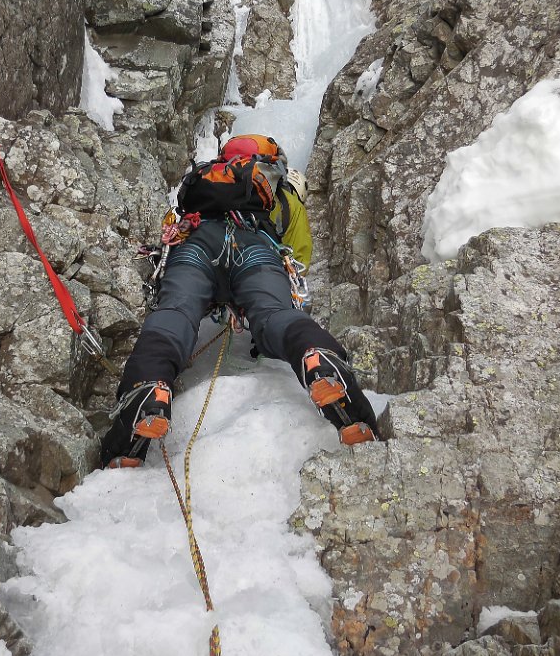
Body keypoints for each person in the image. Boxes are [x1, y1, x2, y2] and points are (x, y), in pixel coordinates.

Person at [101, 134, 381, 468]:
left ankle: (149, 385)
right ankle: (317, 357)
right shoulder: (284, 195)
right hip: (255, 248)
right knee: (275, 314)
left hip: (196, 244)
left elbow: (176, 222)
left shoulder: (207, 182)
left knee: (175, 313)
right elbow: (298, 261)